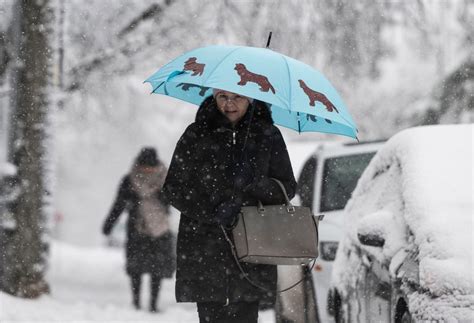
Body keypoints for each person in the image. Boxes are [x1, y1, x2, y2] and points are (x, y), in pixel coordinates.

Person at [161, 89, 297, 323]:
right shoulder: (196, 134)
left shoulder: (267, 135)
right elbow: (173, 188)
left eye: (238, 97)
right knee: (210, 314)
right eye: (223, 96)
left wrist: (255, 186)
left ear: (250, 99)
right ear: (214, 98)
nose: (229, 104)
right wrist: (211, 209)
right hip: (204, 245)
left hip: (252, 244)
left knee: (246, 314)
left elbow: (288, 187)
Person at [102, 147, 175, 313]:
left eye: (150, 167)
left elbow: (176, 199)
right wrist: (109, 224)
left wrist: (162, 193)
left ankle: (153, 304)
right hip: (137, 228)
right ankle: (135, 303)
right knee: (136, 268)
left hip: (160, 229)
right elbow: (118, 204)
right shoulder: (129, 181)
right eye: (144, 167)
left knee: (157, 269)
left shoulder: (166, 180)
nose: (147, 170)